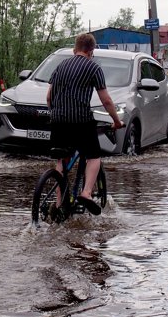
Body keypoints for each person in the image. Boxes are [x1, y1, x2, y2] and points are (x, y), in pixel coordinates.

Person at [46, 33, 123, 215]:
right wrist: (117, 121)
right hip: (80, 121)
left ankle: (59, 204)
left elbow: (49, 97)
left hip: (57, 120)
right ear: (91, 50)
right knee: (93, 156)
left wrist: (56, 113)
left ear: (76, 48)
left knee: (61, 160)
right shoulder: (93, 67)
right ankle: (87, 193)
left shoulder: (60, 66)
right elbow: (106, 100)